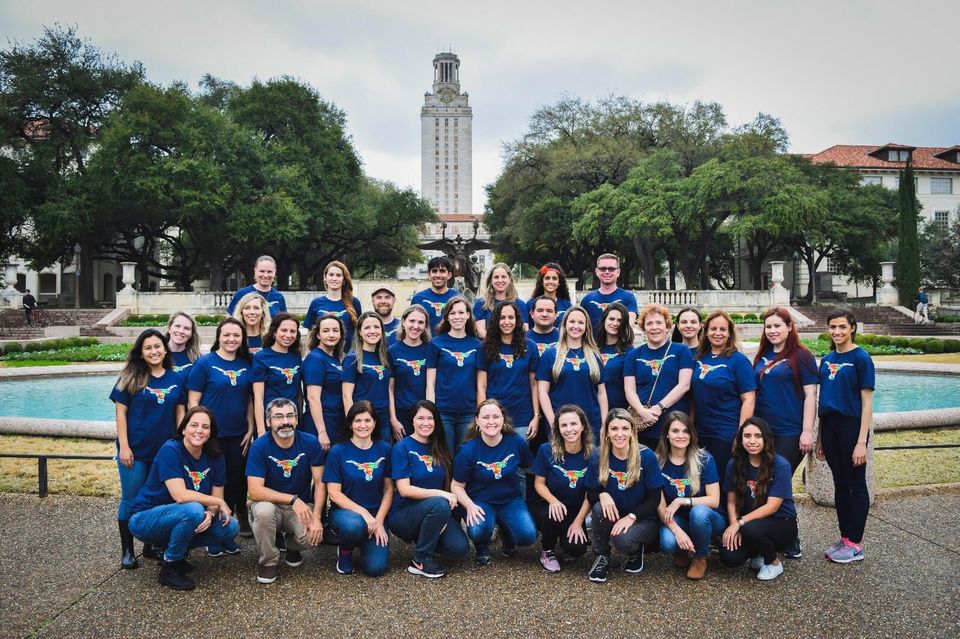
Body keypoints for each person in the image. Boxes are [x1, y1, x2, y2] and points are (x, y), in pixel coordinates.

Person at [127, 406, 240, 591]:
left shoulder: (216, 457)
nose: (199, 430)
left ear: (211, 432)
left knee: (230, 526)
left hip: (183, 516)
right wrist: (217, 503)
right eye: (194, 425)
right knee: (193, 509)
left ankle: (177, 553)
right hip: (145, 519)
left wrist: (211, 514)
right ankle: (169, 566)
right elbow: (180, 495)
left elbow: (216, 496)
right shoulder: (171, 450)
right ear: (184, 428)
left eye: (205, 427)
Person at [110, 329, 187, 569]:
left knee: (159, 500)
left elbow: (180, 415)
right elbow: (120, 413)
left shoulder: (176, 379)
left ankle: (150, 545)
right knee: (131, 500)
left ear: (165, 349)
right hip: (135, 451)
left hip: (165, 453)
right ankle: (127, 551)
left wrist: (180, 447)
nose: (154, 351)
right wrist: (124, 446)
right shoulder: (130, 377)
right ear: (141, 354)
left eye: (158, 346)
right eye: (148, 348)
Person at [187, 318, 255, 547]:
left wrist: (251, 427)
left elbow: (249, 399)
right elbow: (193, 402)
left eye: (236, 335)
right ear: (218, 337)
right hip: (212, 436)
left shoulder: (247, 364)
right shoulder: (205, 364)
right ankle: (216, 531)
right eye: (226, 334)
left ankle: (239, 517)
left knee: (238, 479)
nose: (231, 339)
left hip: (239, 434)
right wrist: (197, 432)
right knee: (217, 481)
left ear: (242, 338)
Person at [246, 398, 326, 584]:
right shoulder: (259, 446)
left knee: (312, 538)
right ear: (268, 422)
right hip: (268, 504)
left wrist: (317, 518)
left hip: (298, 509)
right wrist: (293, 499)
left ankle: (292, 545)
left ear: (297, 420)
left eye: (290, 416)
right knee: (264, 513)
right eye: (278, 417)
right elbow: (254, 491)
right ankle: (268, 561)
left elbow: (320, 482)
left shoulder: (310, 442)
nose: (285, 422)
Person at [817, 309, 874, 564]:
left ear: (852, 327)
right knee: (839, 483)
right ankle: (845, 537)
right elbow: (823, 400)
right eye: (832, 327)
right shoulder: (826, 358)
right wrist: (819, 438)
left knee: (855, 483)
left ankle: (856, 544)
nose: (837, 332)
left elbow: (867, 403)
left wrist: (861, 441)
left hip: (851, 426)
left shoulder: (861, 358)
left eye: (842, 327)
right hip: (829, 426)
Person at [388, 400, 469, 578]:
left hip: (436, 510)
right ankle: (421, 559)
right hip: (404, 514)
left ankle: (426, 537)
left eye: (430, 418)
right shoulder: (402, 447)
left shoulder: (439, 447)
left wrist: (445, 517)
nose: (425, 423)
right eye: (420, 418)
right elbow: (404, 490)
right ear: (412, 421)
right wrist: (440, 495)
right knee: (440, 504)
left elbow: (448, 485)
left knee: (459, 548)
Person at [451, 400, 537, 566]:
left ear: (503, 419)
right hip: (480, 502)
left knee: (528, 536)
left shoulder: (516, 442)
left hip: (510, 500)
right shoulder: (468, 450)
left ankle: (507, 532)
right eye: (486, 417)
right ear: (477, 420)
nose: (491, 421)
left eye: (496, 416)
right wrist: (469, 506)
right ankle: (481, 546)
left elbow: (530, 468)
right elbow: (456, 485)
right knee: (478, 531)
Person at [585, 408, 663, 583]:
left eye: (625, 428)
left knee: (622, 540)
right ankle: (602, 556)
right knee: (598, 507)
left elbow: (655, 499)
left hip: (643, 518)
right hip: (614, 514)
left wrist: (632, 517)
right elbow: (590, 493)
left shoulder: (646, 456)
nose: (619, 434)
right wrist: (601, 495)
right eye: (614, 429)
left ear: (632, 431)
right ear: (606, 432)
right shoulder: (598, 455)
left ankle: (635, 551)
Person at [719, 417, 798, 581]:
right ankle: (759, 553)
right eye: (747, 436)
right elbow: (731, 501)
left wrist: (740, 523)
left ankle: (774, 562)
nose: (752, 441)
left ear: (766, 439)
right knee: (729, 557)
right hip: (750, 523)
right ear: (741, 440)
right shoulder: (734, 464)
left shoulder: (780, 465)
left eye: (758, 436)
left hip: (781, 523)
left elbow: (772, 507)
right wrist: (734, 524)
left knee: (749, 528)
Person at [324, 401, 394, 577]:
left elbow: (388, 490)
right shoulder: (338, 451)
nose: (363, 425)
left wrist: (378, 521)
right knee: (354, 525)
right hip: (346, 514)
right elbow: (333, 492)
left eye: (367, 420)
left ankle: (365, 543)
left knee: (375, 569)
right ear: (350, 424)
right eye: (357, 420)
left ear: (375, 423)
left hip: (376, 515)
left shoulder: (385, 449)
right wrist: (364, 513)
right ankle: (345, 550)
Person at [655, 411, 724, 580]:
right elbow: (660, 505)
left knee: (698, 512)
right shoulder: (657, 461)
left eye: (686, 431)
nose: (681, 436)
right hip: (677, 519)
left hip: (708, 518)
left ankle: (700, 556)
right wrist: (677, 531)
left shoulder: (704, 459)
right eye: (675, 431)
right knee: (668, 542)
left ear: (692, 435)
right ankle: (682, 548)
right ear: (666, 434)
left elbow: (714, 500)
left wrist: (681, 500)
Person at [690, 311, 756, 478]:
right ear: (705, 332)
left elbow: (749, 399)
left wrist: (741, 434)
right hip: (700, 431)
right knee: (702, 478)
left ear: (729, 333)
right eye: (713, 329)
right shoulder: (699, 357)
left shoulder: (738, 360)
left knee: (722, 479)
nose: (717, 333)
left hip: (725, 432)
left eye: (722, 329)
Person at [753, 308, 818, 473]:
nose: (772, 331)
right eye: (768, 327)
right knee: (761, 482)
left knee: (777, 479)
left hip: (789, 432)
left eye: (777, 326)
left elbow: (811, 395)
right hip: (763, 429)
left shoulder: (802, 355)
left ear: (789, 326)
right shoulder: (763, 355)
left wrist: (807, 432)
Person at [530, 405, 593, 573]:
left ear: (582, 426)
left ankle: (566, 543)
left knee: (577, 548)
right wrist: (553, 501)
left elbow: (591, 492)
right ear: (558, 428)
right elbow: (539, 484)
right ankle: (547, 550)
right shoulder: (546, 450)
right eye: (564, 425)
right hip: (548, 504)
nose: (569, 429)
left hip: (575, 510)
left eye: (573, 424)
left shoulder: (593, 454)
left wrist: (579, 521)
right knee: (553, 515)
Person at [625, 303, 694, 450]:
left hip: (674, 424)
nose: (654, 327)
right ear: (643, 328)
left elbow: (684, 385)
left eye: (659, 323)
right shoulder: (633, 355)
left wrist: (659, 407)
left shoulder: (681, 351)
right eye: (649, 323)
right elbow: (629, 389)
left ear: (667, 326)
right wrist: (642, 412)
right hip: (644, 423)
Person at [536, 305, 608, 442]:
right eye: (572, 321)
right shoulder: (551, 355)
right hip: (562, 424)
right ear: (564, 324)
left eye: (581, 322)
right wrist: (553, 423)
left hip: (591, 423)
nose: (576, 326)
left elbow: (602, 393)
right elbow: (542, 392)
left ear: (587, 327)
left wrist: (604, 423)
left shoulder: (594, 356)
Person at [477, 300, 540, 441]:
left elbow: (534, 384)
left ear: (517, 320)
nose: (507, 322)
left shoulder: (530, 346)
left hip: (522, 416)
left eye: (511, 317)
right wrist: (482, 416)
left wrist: (536, 416)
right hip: (493, 417)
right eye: (502, 317)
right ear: (495, 320)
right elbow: (481, 386)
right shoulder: (484, 347)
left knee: (519, 461)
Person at [426, 296, 482, 452]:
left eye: (461, 312)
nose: (457, 317)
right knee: (445, 457)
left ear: (468, 315)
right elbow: (430, 382)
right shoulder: (436, 343)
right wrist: (432, 412)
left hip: (469, 412)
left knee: (465, 456)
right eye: (452, 313)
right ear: (446, 317)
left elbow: (480, 384)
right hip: (443, 412)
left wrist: (479, 412)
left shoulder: (477, 345)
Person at [342, 312, 394, 441]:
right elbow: (346, 395)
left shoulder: (386, 357)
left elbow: (389, 390)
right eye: (367, 327)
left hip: (383, 420)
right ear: (359, 332)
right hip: (363, 421)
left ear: (382, 331)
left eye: (376, 327)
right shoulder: (352, 359)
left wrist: (393, 418)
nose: (372, 331)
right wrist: (353, 422)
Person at [252, 312, 303, 437]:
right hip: (271, 420)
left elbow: (298, 392)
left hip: (291, 419)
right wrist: (260, 430)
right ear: (274, 332)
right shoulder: (262, 357)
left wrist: (299, 419)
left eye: (293, 331)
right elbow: (258, 397)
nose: (288, 335)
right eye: (284, 330)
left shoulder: (296, 356)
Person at [302, 315, 346, 449]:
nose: (331, 334)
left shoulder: (334, 358)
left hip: (335, 421)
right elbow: (313, 398)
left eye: (335, 330)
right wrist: (322, 432)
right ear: (318, 335)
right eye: (326, 331)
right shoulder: (315, 358)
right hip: (321, 425)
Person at [388, 305, 431, 437]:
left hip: (425, 415)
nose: (416, 326)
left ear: (425, 326)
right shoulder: (392, 351)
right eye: (412, 321)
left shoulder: (431, 350)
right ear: (403, 322)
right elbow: (389, 389)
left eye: (420, 322)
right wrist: (393, 419)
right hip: (402, 413)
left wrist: (431, 414)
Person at [304, 260, 362, 349]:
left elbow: (359, 331)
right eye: (331, 275)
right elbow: (310, 334)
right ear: (325, 278)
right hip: (323, 357)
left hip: (348, 357)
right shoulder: (316, 303)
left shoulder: (354, 302)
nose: (334, 278)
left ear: (344, 280)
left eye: (338, 275)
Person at [580, 253, 638, 332]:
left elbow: (629, 328)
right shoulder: (587, 300)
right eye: (603, 268)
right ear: (597, 271)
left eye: (611, 269)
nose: (607, 272)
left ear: (618, 272)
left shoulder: (628, 297)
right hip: (593, 344)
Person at [596, 302, 634, 412]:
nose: (615, 323)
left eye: (619, 320)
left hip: (620, 411)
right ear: (604, 320)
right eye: (611, 319)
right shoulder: (592, 348)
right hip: (594, 410)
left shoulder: (630, 352)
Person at [473, 262, 527, 340]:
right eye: (496, 277)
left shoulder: (520, 304)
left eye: (504, 277)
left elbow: (524, 330)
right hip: (489, 346)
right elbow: (481, 333)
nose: (500, 280)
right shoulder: (481, 303)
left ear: (509, 280)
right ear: (491, 280)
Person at [411, 256, 460, 332]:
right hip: (425, 342)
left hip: (450, 343)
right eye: (434, 271)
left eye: (442, 271)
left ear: (449, 275)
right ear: (429, 275)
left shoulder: (458, 298)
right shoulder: (418, 298)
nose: (438, 275)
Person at [527, 263, 573, 327]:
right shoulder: (530, 304)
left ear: (559, 282)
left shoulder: (567, 305)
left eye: (554, 278)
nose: (551, 281)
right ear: (541, 282)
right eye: (547, 278)